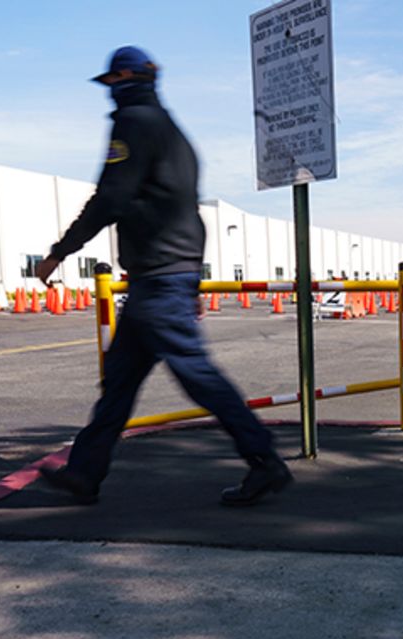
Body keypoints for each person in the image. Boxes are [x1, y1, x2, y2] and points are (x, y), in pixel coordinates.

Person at [36, 46, 291, 507]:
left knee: (198, 375)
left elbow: (110, 198)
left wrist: (58, 253)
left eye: (113, 83)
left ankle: (265, 460)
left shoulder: (133, 123)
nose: (110, 93)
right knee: (120, 380)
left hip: (157, 277)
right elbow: (186, 214)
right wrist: (190, 281)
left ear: (125, 78)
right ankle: (84, 473)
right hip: (162, 278)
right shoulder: (175, 135)